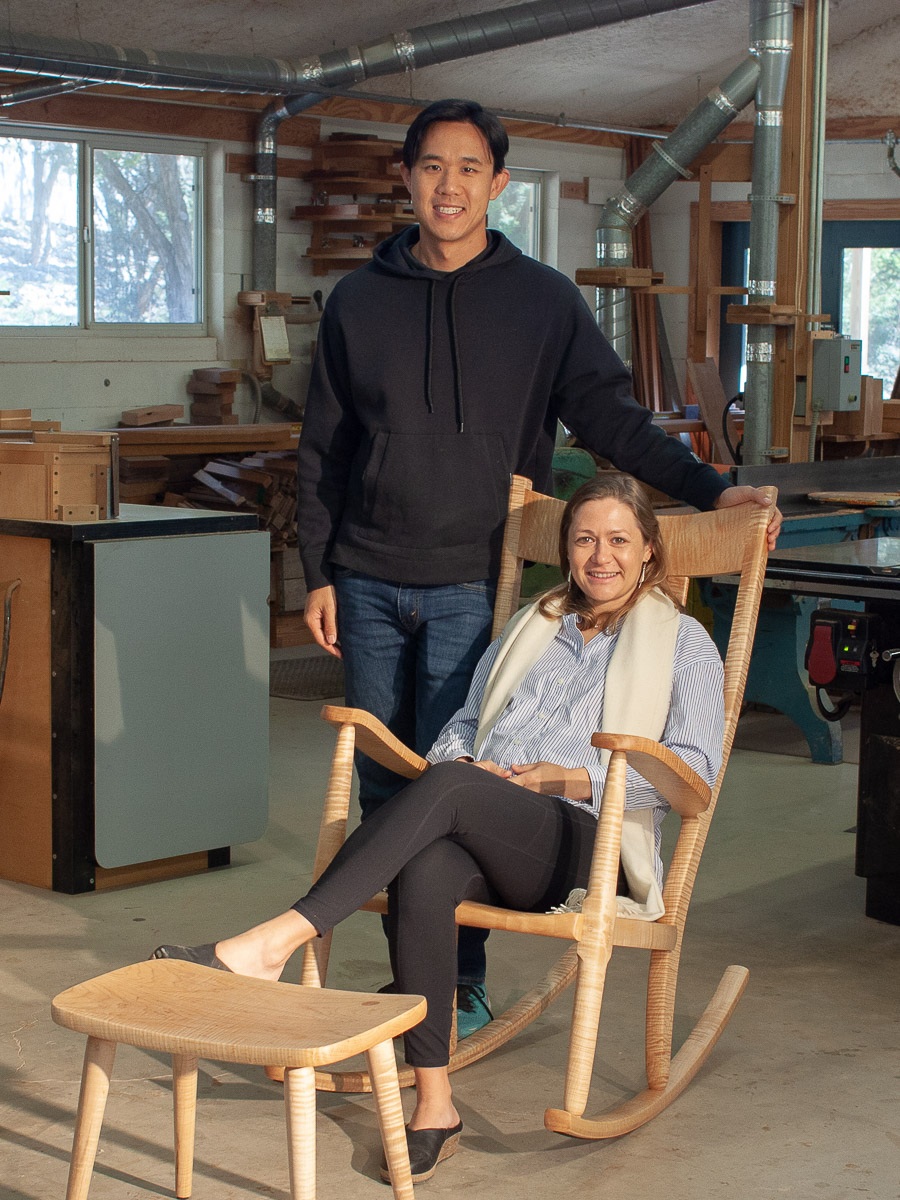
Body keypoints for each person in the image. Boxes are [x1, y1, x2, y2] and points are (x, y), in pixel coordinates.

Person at [296, 97, 780, 1030]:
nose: (449, 185)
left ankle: (452, 984)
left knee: (455, 772)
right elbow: (322, 447)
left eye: (470, 169)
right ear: (407, 179)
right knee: (382, 778)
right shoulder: (357, 301)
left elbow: (609, 416)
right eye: (432, 167)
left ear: (498, 184)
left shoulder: (543, 300)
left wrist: (711, 487)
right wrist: (318, 567)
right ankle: (418, 983)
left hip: (471, 575)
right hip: (362, 572)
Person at [154, 472, 726, 1183]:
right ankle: (435, 1103)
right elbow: (466, 722)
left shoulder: (685, 643)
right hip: (494, 819)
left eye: (618, 540)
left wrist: (563, 776)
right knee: (429, 865)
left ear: (649, 550)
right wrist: (469, 765)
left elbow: (695, 774)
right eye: (584, 539)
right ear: (566, 549)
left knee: (450, 785)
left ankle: (276, 939)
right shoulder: (535, 624)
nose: (600, 556)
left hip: (591, 840)